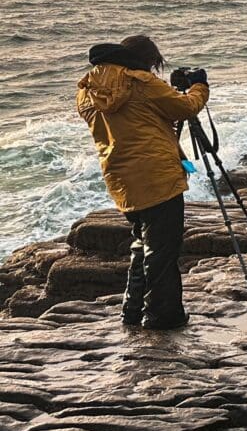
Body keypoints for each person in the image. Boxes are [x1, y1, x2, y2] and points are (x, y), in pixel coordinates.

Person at [77, 36, 210, 330]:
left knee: (142, 245)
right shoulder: (142, 83)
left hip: (122, 180)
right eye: (153, 65)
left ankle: (132, 310)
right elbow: (186, 108)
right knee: (162, 253)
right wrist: (199, 86)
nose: (153, 71)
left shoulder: (88, 89)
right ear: (146, 60)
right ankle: (163, 317)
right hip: (158, 178)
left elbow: (137, 118)